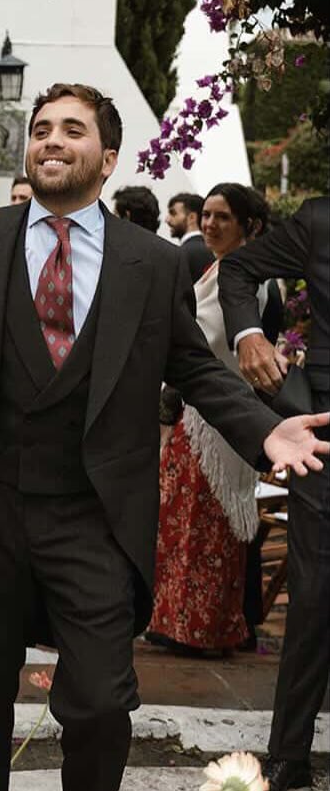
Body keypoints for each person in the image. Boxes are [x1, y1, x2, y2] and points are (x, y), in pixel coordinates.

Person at [0, 82, 328, 791]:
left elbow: (194, 367)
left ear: (105, 156)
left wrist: (263, 425)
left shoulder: (150, 261)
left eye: (71, 129)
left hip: (92, 516)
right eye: (40, 128)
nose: (49, 140)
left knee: (98, 701)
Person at [220, 195, 330, 791]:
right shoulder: (318, 220)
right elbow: (238, 270)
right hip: (324, 437)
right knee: (314, 595)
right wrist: (250, 335)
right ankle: (289, 753)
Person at [147, 185, 281, 656]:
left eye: (222, 217)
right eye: (206, 215)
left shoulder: (248, 278)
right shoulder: (220, 269)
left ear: (250, 225)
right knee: (186, 523)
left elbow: (206, 341)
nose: (209, 225)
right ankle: (183, 623)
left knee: (207, 527)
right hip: (199, 415)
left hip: (217, 417)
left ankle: (202, 628)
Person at [167, 191, 215, 284]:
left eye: (173, 213)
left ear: (192, 217)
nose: (167, 220)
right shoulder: (216, 250)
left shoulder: (180, 254)